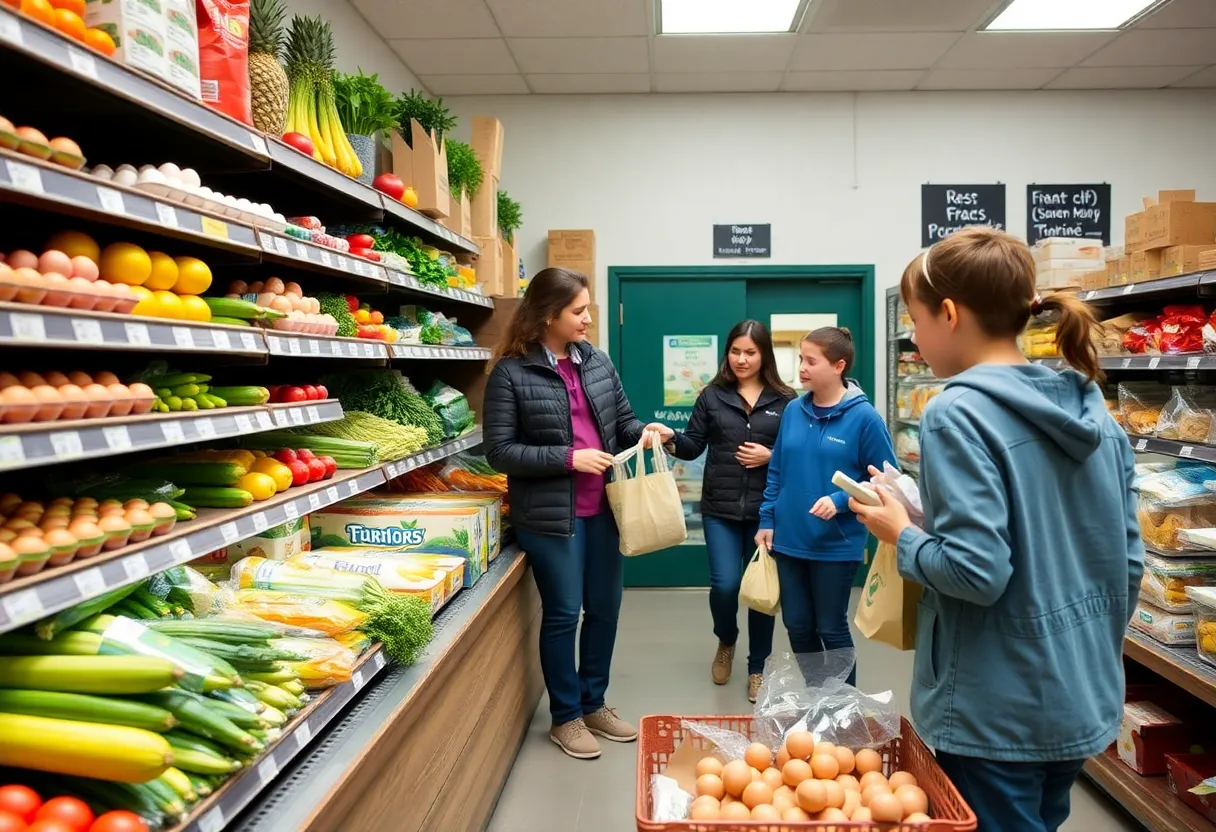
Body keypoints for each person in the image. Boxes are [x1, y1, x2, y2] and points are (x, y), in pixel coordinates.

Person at [851, 227, 1142, 832]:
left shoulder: (957, 412)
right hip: (1079, 691)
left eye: (916, 319)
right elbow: (1126, 560)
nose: (914, 335)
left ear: (949, 314)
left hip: (992, 707)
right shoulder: (1090, 410)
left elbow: (977, 573)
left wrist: (900, 532)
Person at [483, 267, 673, 761]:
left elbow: (623, 422)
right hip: (550, 518)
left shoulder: (596, 362)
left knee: (606, 610)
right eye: (579, 310)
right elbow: (499, 451)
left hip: (605, 510)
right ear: (549, 315)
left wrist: (645, 431)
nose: (588, 319)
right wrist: (568, 459)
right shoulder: (511, 372)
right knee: (565, 614)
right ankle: (565, 717)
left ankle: (594, 704)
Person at [755, 328, 896, 686]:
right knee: (797, 625)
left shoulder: (865, 419)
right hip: (788, 539)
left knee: (830, 628)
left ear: (839, 366)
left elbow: (887, 482)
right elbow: (777, 471)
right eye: (801, 358)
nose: (801, 367)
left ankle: (843, 711)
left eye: (810, 361)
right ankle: (818, 698)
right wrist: (767, 518)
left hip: (835, 545)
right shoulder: (793, 411)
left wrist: (839, 500)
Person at [669, 320, 796, 702]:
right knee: (725, 585)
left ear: (764, 355)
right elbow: (692, 444)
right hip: (720, 509)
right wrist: (669, 439)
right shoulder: (712, 395)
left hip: (767, 512)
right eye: (736, 351)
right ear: (727, 353)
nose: (742, 359)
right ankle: (726, 639)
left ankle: (757, 667)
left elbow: (800, 454)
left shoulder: (786, 399)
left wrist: (771, 455)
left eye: (751, 352)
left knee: (760, 592)